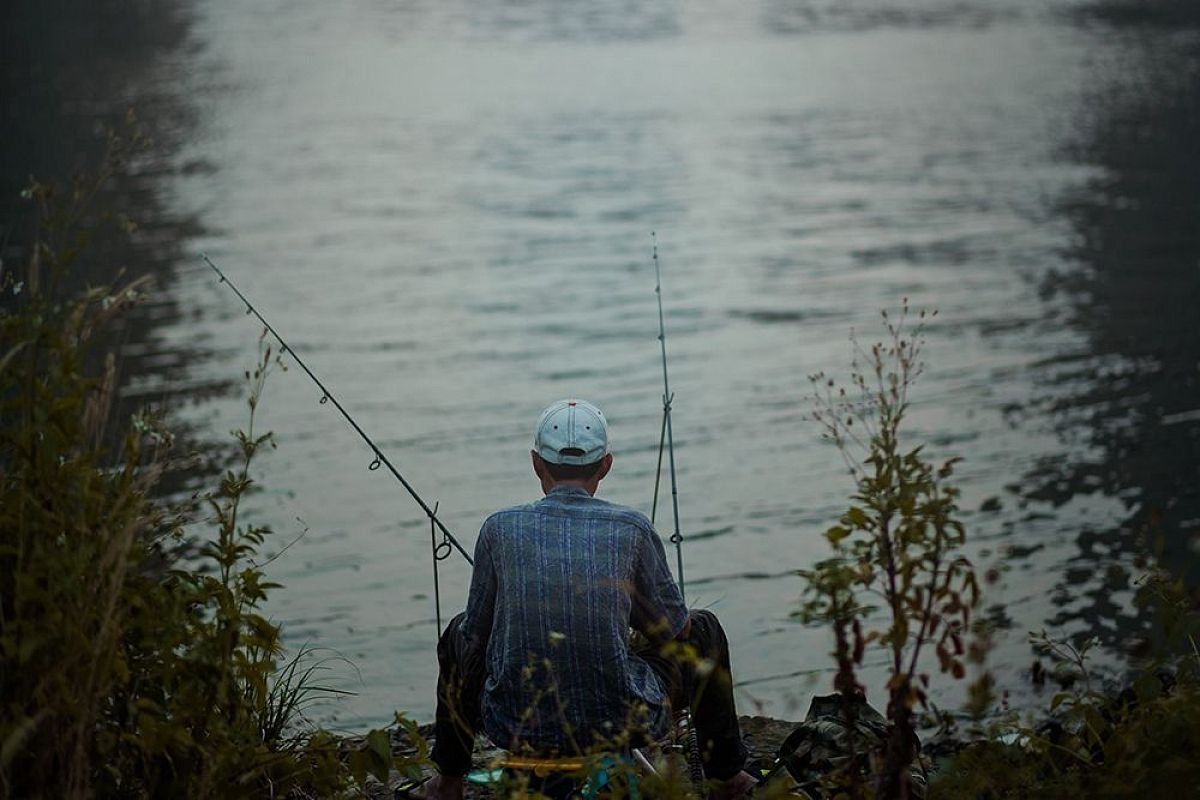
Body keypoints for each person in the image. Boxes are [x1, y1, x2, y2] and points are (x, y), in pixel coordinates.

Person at [416, 399, 757, 799]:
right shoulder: (631, 527)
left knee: (459, 630)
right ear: (605, 465)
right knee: (704, 629)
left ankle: (449, 783)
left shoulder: (498, 528)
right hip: (626, 722)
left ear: (535, 463)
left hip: (514, 723)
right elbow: (678, 630)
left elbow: (475, 634)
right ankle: (727, 779)